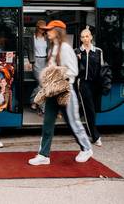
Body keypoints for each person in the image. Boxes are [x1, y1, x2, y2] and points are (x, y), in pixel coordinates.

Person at [28, 20, 93, 166]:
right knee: (48, 122)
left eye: (50, 30)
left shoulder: (65, 48)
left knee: (73, 123)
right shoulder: (52, 49)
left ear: (57, 31)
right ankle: (43, 155)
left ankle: (87, 148)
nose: (47, 32)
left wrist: (57, 75)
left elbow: (73, 71)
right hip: (53, 91)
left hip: (65, 91)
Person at [76, 27, 105, 147]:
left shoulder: (98, 51)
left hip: (96, 84)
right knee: (90, 109)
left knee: (92, 108)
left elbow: (103, 68)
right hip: (83, 83)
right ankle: (95, 136)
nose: (85, 39)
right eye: (82, 37)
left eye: (87, 36)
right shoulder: (77, 51)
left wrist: (104, 83)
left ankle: (78, 128)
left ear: (91, 37)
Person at [29, 20, 48, 115]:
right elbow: (29, 50)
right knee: (42, 84)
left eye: (44, 28)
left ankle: (33, 101)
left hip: (46, 62)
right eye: (41, 28)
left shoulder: (47, 38)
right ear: (37, 27)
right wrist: (31, 61)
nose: (42, 30)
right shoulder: (32, 38)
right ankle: (43, 109)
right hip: (36, 61)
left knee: (43, 85)